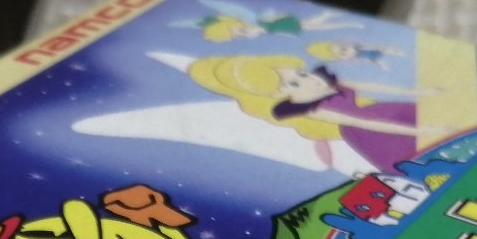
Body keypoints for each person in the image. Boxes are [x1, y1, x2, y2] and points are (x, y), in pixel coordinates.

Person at [187, 54, 437, 172]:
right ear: (279, 93)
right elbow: (366, 123)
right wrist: (419, 130)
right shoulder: (316, 110)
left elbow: (371, 86)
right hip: (375, 134)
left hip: (388, 113)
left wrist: (415, 91)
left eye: (301, 73)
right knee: (424, 158)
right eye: (294, 83)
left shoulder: (326, 84)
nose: (309, 79)